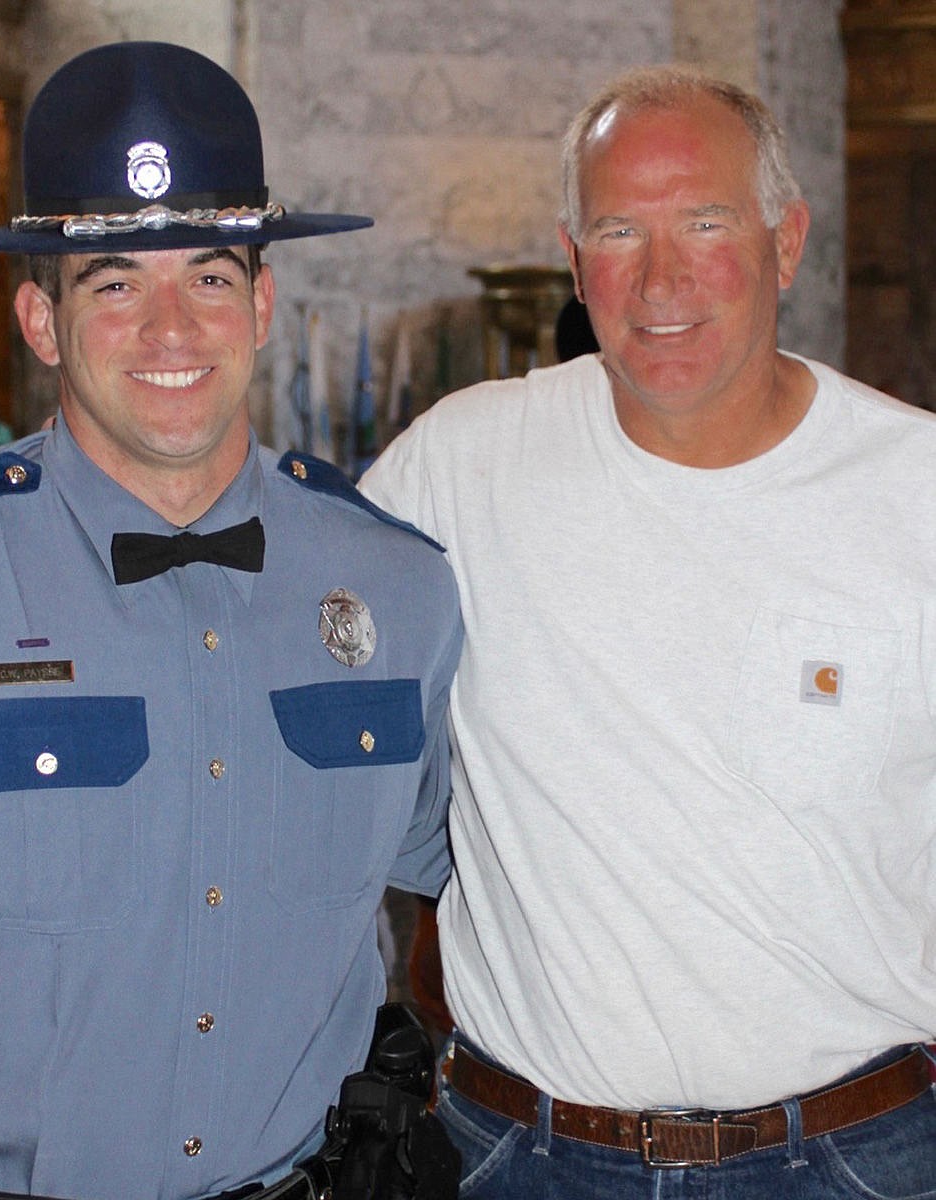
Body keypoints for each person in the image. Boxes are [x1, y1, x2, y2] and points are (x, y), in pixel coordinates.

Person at [0, 40, 461, 1200]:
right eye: (115, 284)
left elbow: (500, 884)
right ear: (41, 320)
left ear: (262, 302)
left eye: (209, 276)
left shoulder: (401, 591)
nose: (172, 329)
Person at [360, 67, 936, 1198]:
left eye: (705, 223)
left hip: (855, 1159)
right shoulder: (461, 464)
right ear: (576, 263)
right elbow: (250, 613)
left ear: (787, 242)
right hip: (517, 1155)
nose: (661, 277)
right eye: (620, 230)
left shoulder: (915, 486)